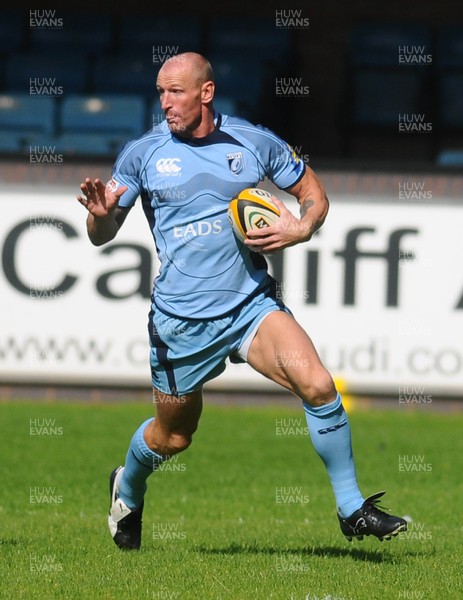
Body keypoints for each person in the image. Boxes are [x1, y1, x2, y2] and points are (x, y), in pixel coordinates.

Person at [76, 52, 407, 550]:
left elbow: (311, 190)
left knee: (318, 384)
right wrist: (100, 217)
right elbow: (101, 234)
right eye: (160, 91)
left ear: (205, 93)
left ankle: (351, 508)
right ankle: (127, 487)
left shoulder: (253, 141)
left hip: (250, 306)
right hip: (181, 322)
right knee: (173, 438)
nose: (165, 102)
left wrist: (301, 226)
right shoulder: (143, 153)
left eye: (175, 92)